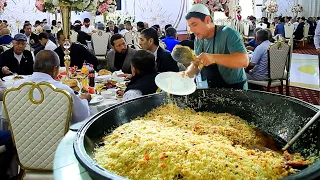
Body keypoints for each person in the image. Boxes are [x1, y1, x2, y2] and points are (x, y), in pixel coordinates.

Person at [13, 50, 91, 124]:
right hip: (59, 138)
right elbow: (82, 117)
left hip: (22, 137)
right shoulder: (63, 91)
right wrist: (84, 100)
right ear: (55, 69)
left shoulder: (15, 87)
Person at [184, 4, 248, 89]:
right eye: (190, 26)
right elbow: (197, 64)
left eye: (194, 24)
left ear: (207, 20)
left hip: (236, 88)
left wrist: (213, 58)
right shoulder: (198, 39)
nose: (191, 30)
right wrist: (184, 75)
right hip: (213, 87)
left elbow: (244, 61)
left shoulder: (228, 33)